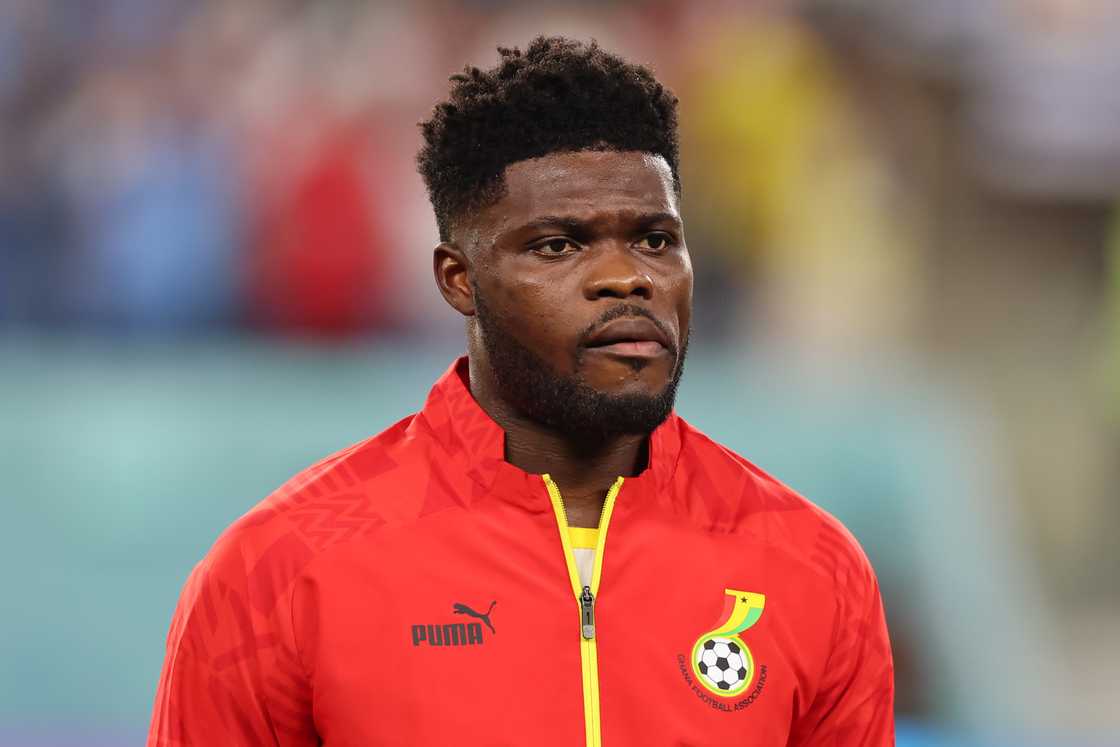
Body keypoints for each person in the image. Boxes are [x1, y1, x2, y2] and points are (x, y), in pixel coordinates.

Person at [148, 36, 893, 746]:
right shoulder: (276, 572)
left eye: (655, 239)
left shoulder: (811, 566)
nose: (625, 277)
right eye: (558, 245)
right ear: (459, 280)